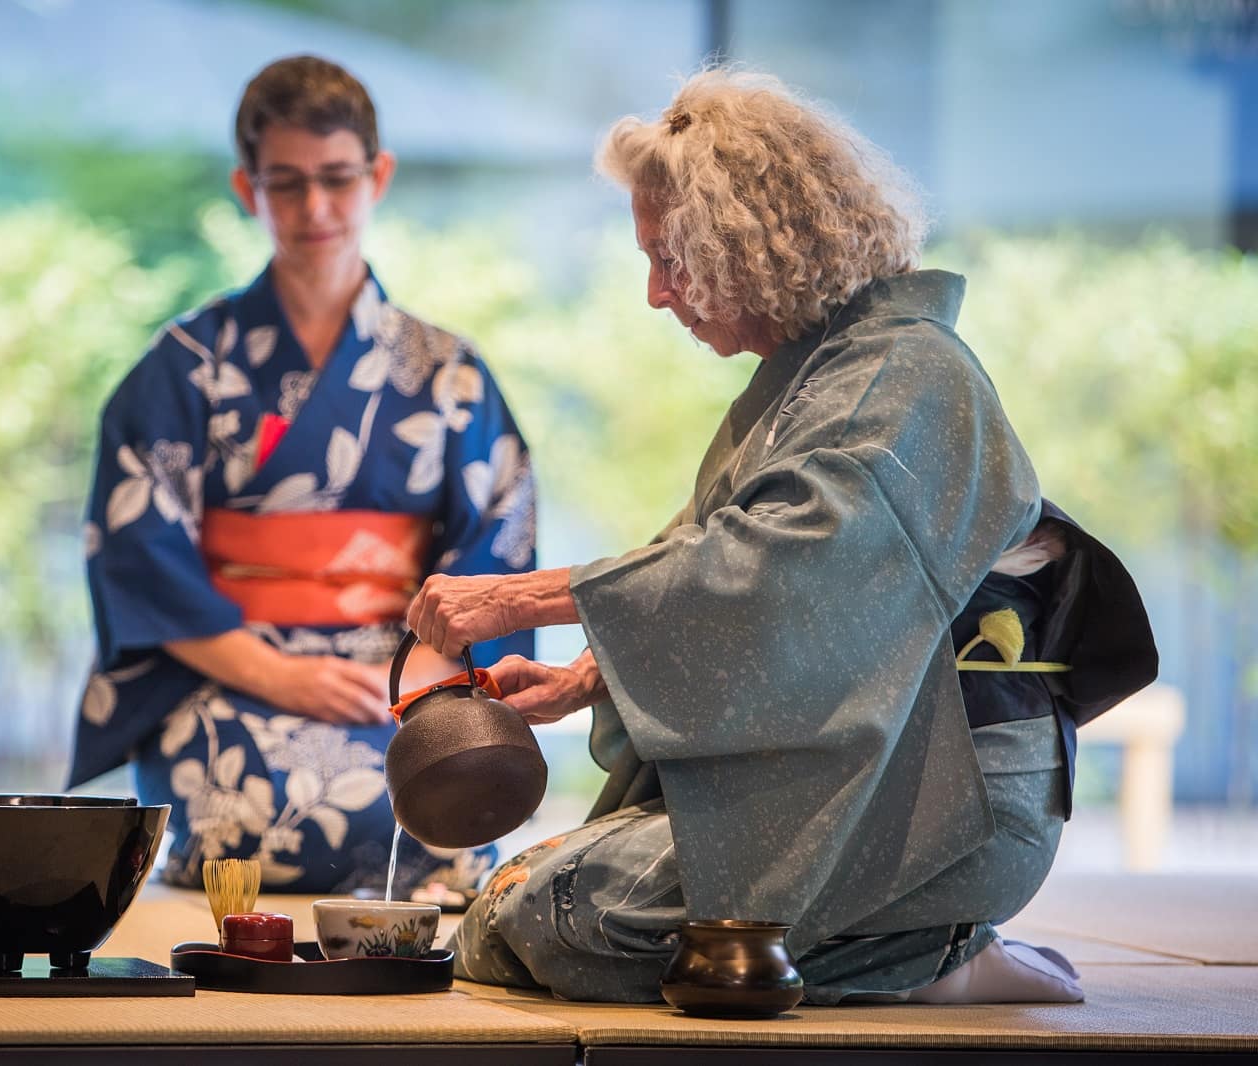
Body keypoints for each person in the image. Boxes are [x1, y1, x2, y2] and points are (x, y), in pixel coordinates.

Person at [404, 69, 1156, 1004]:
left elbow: (781, 575)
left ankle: (938, 954)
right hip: (858, 772)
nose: (653, 293)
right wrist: (584, 677)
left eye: (669, 259)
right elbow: (737, 593)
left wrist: (518, 597)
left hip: (946, 797)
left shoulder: (909, 375)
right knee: (507, 903)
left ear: (746, 247)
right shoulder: (816, 380)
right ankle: (919, 943)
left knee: (567, 916)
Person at [67, 55, 536, 897]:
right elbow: (139, 553)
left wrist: (417, 687)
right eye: (285, 183)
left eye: (336, 178)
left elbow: (494, 545)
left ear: (377, 175)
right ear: (248, 189)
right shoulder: (184, 368)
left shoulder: (448, 375)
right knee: (234, 817)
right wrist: (278, 674)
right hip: (229, 674)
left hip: (397, 678)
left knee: (445, 813)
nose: (314, 208)